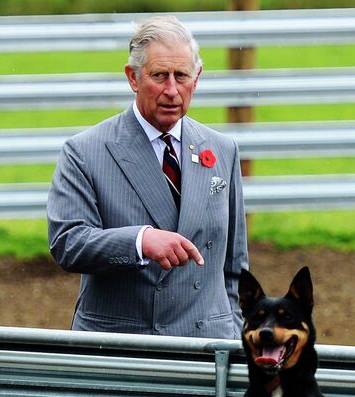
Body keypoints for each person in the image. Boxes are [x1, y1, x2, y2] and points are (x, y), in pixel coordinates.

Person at [47, 15, 248, 338]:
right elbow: (68, 242)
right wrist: (140, 241)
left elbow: (234, 266)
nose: (172, 90)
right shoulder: (85, 151)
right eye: (159, 76)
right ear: (133, 77)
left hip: (205, 347)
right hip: (121, 346)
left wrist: (233, 337)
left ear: (196, 79)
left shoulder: (223, 150)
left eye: (181, 76)